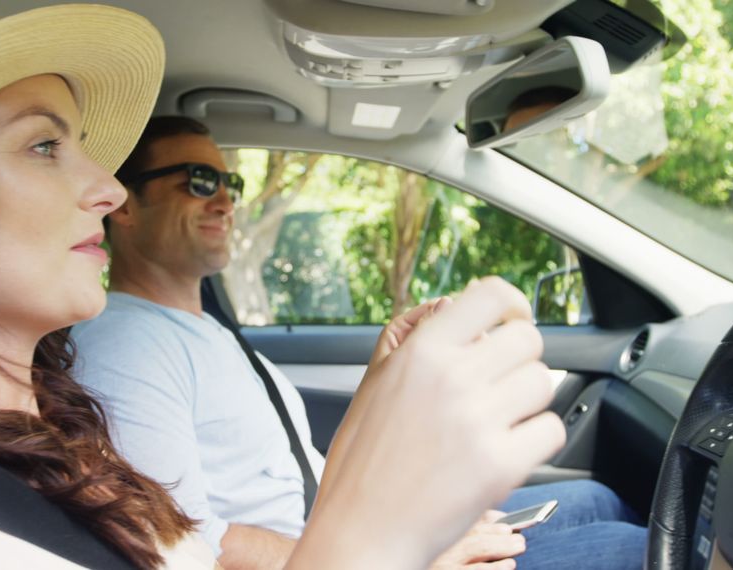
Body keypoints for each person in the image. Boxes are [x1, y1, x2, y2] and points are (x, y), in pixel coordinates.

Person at [0, 1, 565, 569]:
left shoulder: (68, 439)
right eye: (43, 147)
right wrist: (380, 545)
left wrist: (384, 434)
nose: (108, 189)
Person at [72, 115, 646, 569]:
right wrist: (407, 552)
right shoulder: (124, 343)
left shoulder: (204, 330)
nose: (224, 201)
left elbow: (309, 480)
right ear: (124, 204)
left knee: (597, 500)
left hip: (351, 541)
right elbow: (189, 545)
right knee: (634, 551)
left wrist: (382, 379)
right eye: (200, 182)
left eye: (231, 184)